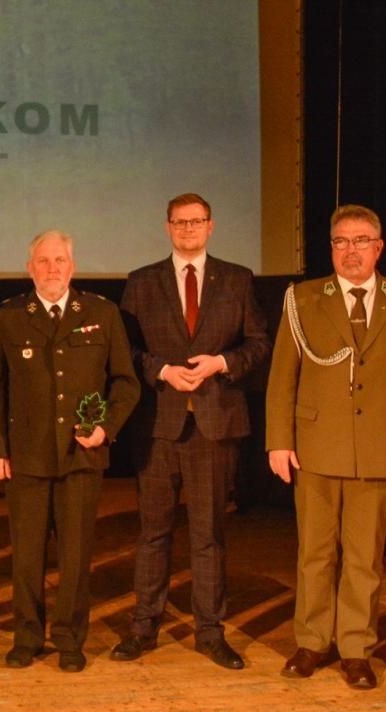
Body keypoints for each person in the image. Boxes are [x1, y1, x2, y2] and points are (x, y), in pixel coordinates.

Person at [264, 205, 386, 690]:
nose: (350, 251)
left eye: (361, 241)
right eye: (341, 241)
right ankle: (313, 641)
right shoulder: (302, 299)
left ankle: (357, 648)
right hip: (316, 447)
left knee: (364, 557)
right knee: (315, 553)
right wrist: (278, 441)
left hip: (382, 448)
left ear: (378, 247)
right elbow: (283, 377)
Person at [114, 193, 270, 670]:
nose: (187, 229)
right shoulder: (142, 283)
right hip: (159, 426)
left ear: (211, 226)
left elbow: (259, 343)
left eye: (196, 221)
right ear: (167, 228)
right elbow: (125, 352)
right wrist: (161, 371)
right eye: (179, 223)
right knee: (153, 534)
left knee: (208, 535)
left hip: (214, 425)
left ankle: (209, 631)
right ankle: (143, 627)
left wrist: (222, 362)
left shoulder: (237, 279)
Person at [0, 231, 139, 671]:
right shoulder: (9, 316)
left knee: (75, 556)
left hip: (80, 457)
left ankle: (71, 639)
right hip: (27, 457)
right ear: (29, 267)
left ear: (73, 266)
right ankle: (27, 637)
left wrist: (104, 429)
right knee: (27, 557)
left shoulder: (102, 313)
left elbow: (126, 384)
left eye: (60, 260)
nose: (53, 268)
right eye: (44, 260)